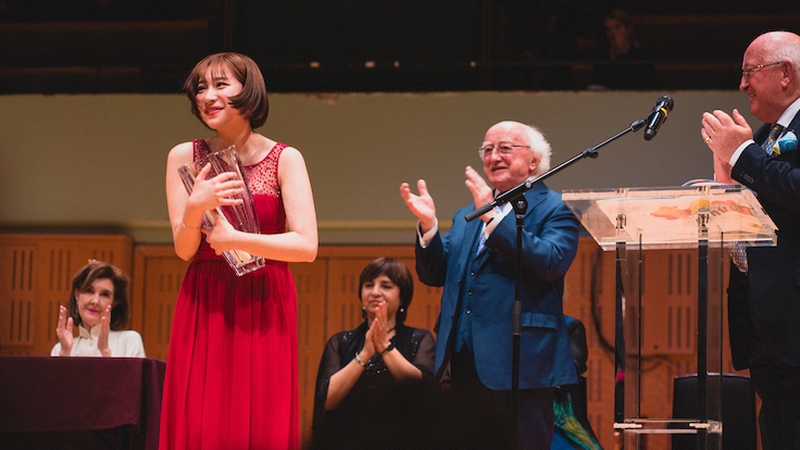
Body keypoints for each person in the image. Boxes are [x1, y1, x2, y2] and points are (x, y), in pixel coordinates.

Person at [160, 52, 318, 450]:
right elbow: (183, 249)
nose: (207, 96)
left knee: (262, 417)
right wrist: (195, 206)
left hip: (265, 296)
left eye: (220, 85)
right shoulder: (184, 156)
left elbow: (306, 246)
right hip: (205, 296)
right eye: (200, 88)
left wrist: (237, 240)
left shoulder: (286, 158)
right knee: (200, 418)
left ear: (248, 91)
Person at [400, 120, 580, 450]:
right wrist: (428, 228)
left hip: (523, 362)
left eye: (505, 148)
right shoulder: (466, 215)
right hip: (463, 360)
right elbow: (436, 274)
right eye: (487, 149)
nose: (493, 156)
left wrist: (496, 220)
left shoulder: (557, 207)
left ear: (534, 161)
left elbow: (551, 261)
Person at [700, 31, 800, 449]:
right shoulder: (762, 138)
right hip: (764, 325)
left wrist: (741, 156)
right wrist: (725, 183)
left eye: (749, 72)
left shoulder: (753, 147)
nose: (742, 85)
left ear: (785, 73)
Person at [311, 257, 436, 447]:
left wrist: (385, 347)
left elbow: (424, 394)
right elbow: (327, 401)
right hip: (350, 440)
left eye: (386, 286)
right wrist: (364, 354)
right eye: (369, 285)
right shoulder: (340, 342)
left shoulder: (420, 339)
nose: (375, 292)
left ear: (402, 297)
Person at [51, 260, 145, 357]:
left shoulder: (129, 341)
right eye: (89, 291)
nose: (95, 301)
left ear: (114, 303)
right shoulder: (59, 349)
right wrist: (65, 355)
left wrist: (105, 351)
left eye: (105, 295)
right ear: (77, 294)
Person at [589, 10, 654, 90]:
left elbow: (644, 85)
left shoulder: (641, 56)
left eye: (617, 27)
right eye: (608, 29)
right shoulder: (602, 56)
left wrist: (622, 54)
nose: (612, 32)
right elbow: (597, 84)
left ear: (629, 29)